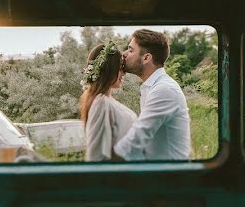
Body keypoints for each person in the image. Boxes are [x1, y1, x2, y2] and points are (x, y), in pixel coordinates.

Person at [113, 29, 191, 161]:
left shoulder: (164, 90)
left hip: (172, 176)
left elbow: (137, 136)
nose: (124, 55)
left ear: (146, 58)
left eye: (131, 50)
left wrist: (103, 161)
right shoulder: (152, 87)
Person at [79, 41, 137, 161]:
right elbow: (96, 155)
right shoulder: (101, 103)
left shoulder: (105, 101)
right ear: (109, 69)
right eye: (120, 67)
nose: (124, 72)